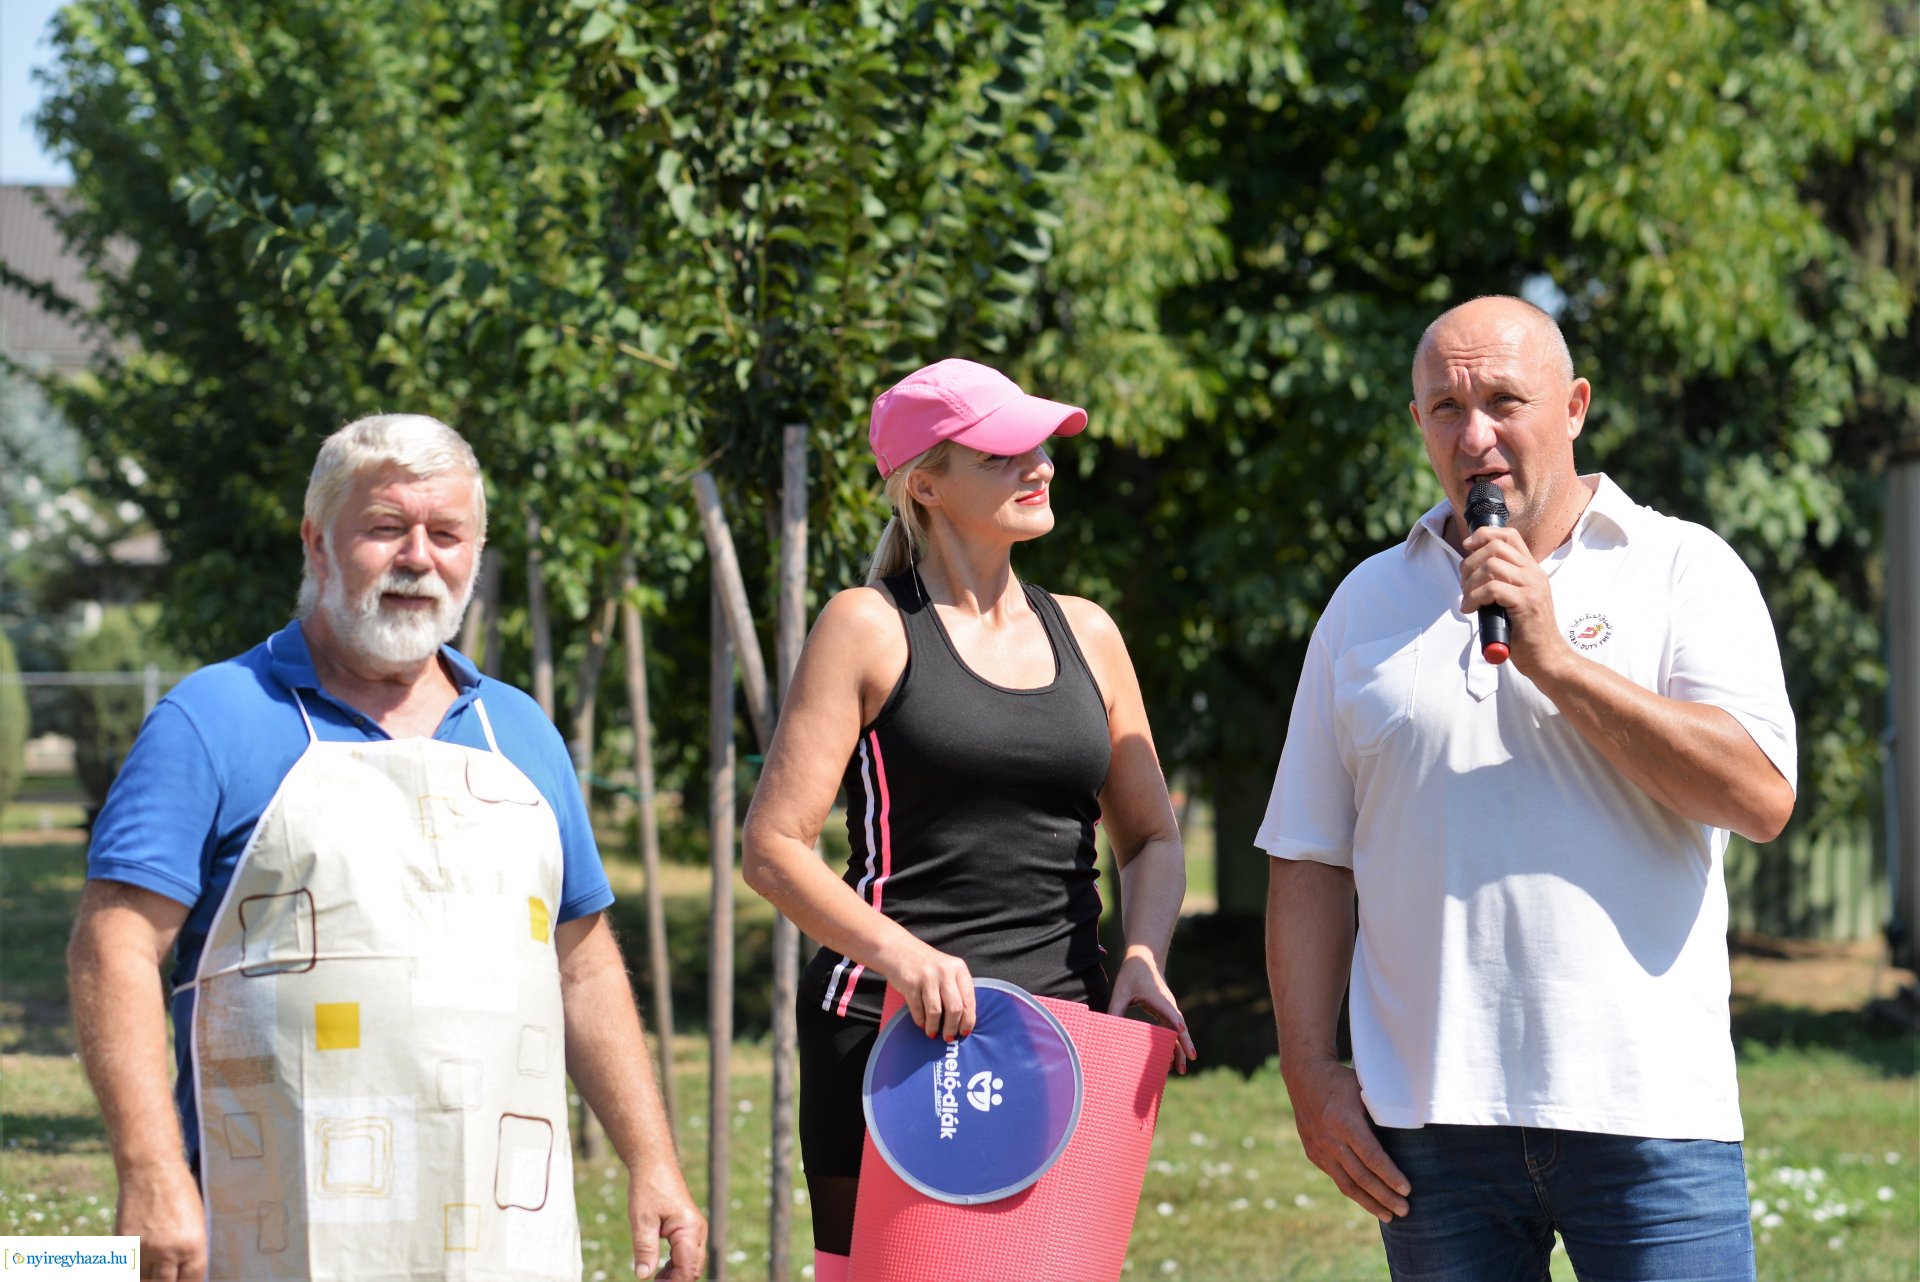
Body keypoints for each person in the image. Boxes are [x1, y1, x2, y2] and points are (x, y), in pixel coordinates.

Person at [67, 414, 706, 1282]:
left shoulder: (519, 731)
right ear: (317, 543)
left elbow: (583, 968)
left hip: (501, 1237)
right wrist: (149, 1172)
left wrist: (653, 1160)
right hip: (272, 1230)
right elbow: (113, 947)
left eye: (446, 534)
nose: (418, 558)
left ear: (475, 553)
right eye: (384, 527)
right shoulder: (212, 718)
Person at [1260, 296, 1798, 1281]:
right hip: (1431, 1129)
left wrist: (1554, 658)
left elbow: (1759, 795)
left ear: (1575, 405)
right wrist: (1308, 1069)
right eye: (1445, 408)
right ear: (1418, 423)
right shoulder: (1365, 603)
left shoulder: (1684, 568)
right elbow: (1308, 857)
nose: (1475, 436)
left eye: (1505, 401)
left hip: (1649, 1116)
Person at [741, 358, 1199, 1282]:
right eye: (1001, 454)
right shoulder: (868, 626)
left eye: (1040, 446)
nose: (1039, 465)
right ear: (926, 484)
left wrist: (1144, 957)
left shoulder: (1090, 633)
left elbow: (1152, 837)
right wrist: (903, 958)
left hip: (1063, 1038)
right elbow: (773, 848)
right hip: (890, 1038)